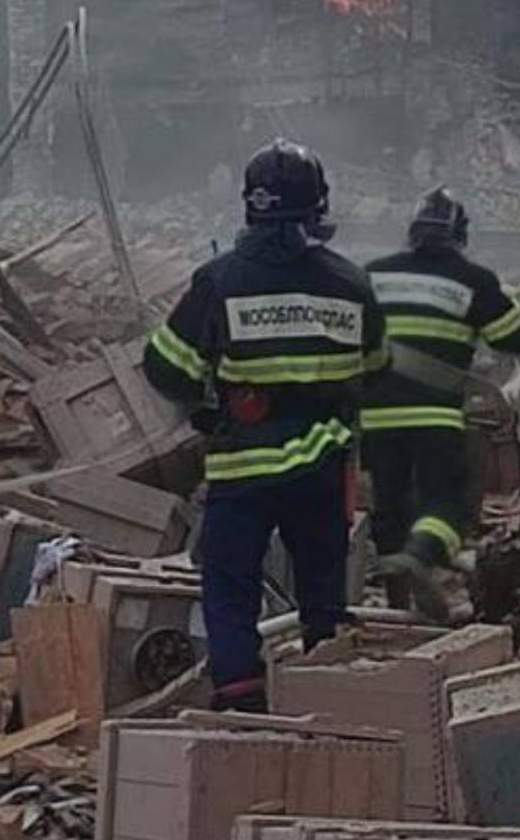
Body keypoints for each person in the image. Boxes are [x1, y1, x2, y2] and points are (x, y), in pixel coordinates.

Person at [139, 140, 383, 712]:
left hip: (241, 468)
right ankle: (332, 693)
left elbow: (165, 368)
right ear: (318, 206)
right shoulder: (351, 284)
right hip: (321, 468)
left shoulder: (218, 281)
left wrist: (209, 404)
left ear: (251, 206)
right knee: (323, 590)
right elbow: (372, 373)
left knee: (229, 589)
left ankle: (243, 704)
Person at [360, 187, 520, 618]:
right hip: (434, 414)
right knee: (448, 501)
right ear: (459, 237)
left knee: (390, 503)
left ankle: (397, 607)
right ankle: (422, 555)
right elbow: (518, 337)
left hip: (375, 416)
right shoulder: (473, 280)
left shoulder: (373, 274)